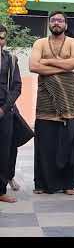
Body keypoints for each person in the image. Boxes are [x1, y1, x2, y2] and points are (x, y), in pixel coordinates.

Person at [29, 11, 74, 195]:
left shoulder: (73, 43)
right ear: (49, 24)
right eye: (53, 20)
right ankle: (44, 184)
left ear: (66, 25)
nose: (56, 23)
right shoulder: (40, 43)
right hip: (45, 102)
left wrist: (48, 62)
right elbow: (33, 66)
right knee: (45, 145)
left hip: (68, 101)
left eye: (60, 20)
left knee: (69, 143)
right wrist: (62, 64)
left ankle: (69, 184)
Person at [0, 24, 23, 203]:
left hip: (4, 111)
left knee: (4, 151)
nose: (0, 41)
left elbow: (16, 87)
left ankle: (1, 191)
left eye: (2, 37)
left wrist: (4, 108)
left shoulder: (11, 59)